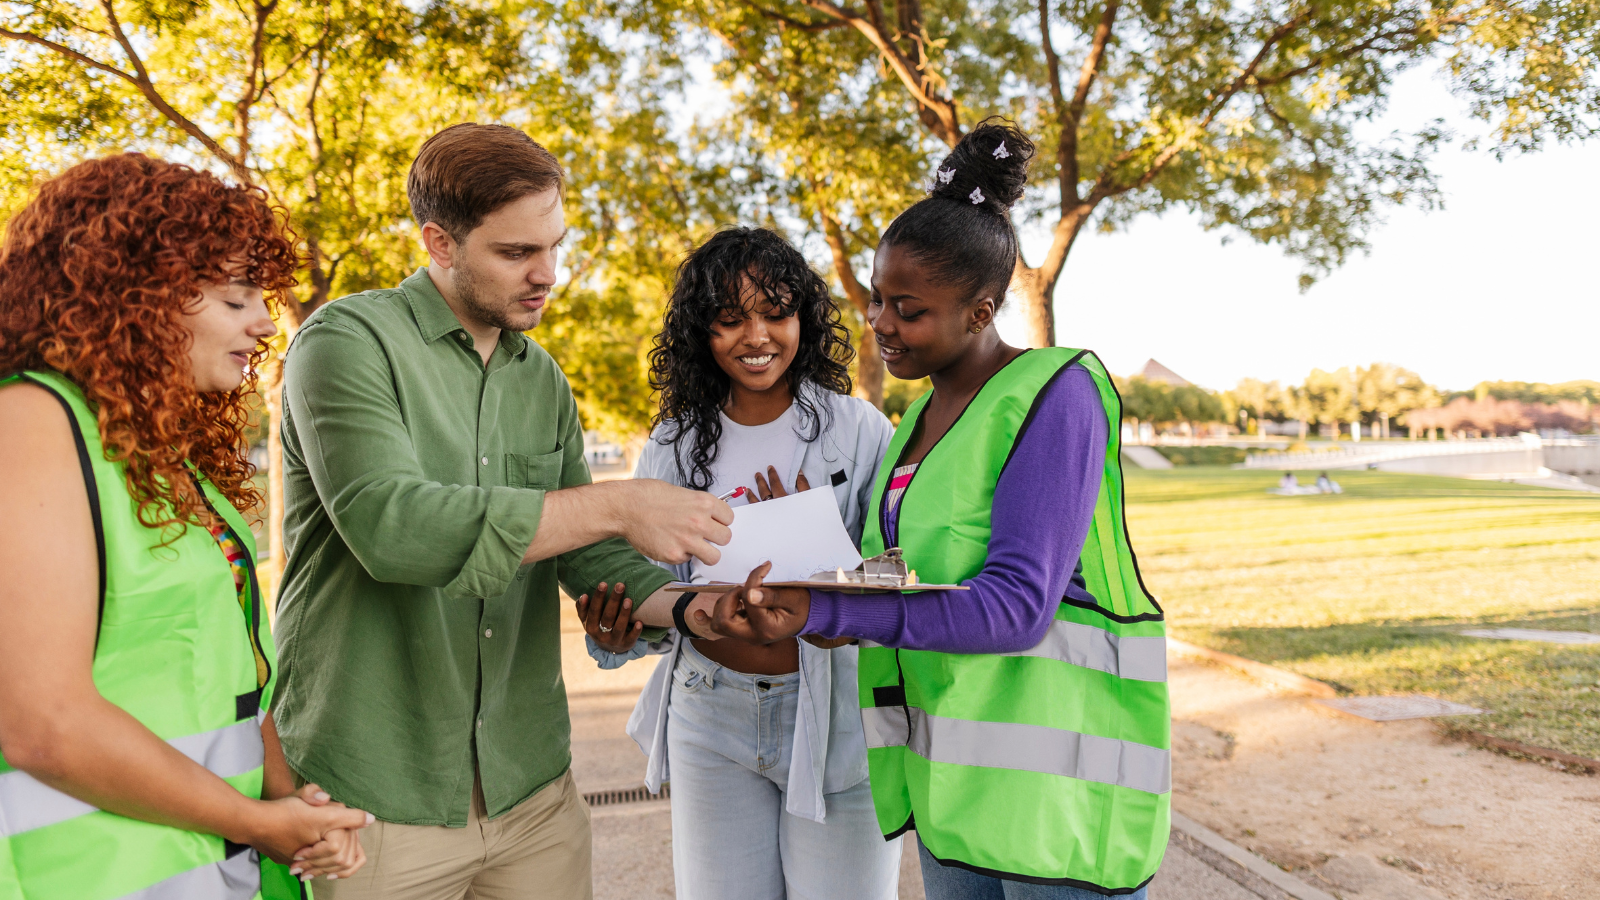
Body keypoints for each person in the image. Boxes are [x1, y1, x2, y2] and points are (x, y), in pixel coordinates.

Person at [703, 122, 1171, 897]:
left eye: (908, 309)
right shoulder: (910, 427)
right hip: (953, 789)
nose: (881, 324)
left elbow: (1018, 606)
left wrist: (835, 609)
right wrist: (801, 550)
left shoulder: (1056, 396)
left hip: (1062, 799)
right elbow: (899, 578)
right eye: (880, 300)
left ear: (982, 312)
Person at [270, 123, 734, 900]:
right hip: (374, 799)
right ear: (440, 244)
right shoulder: (347, 341)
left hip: (533, 796)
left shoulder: (543, 379)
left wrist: (701, 609)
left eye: (554, 246)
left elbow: (585, 555)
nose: (546, 273)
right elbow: (394, 526)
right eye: (517, 253)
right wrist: (619, 502)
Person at [0, 154, 372, 899]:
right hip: (83, 878)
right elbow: (43, 722)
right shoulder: (30, 421)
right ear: (139, 298)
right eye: (237, 300)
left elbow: (235, 684)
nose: (264, 323)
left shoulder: (164, 456)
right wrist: (256, 821)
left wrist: (292, 806)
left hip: (210, 869)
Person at [577, 227, 900, 899]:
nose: (757, 336)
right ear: (702, 332)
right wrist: (620, 631)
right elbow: (653, 588)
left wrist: (814, 553)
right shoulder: (673, 444)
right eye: (729, 319)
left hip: (835, 713)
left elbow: (900, 574)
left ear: (803, 318)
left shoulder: (858, 429)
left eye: (775, 312)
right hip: (709, 714)